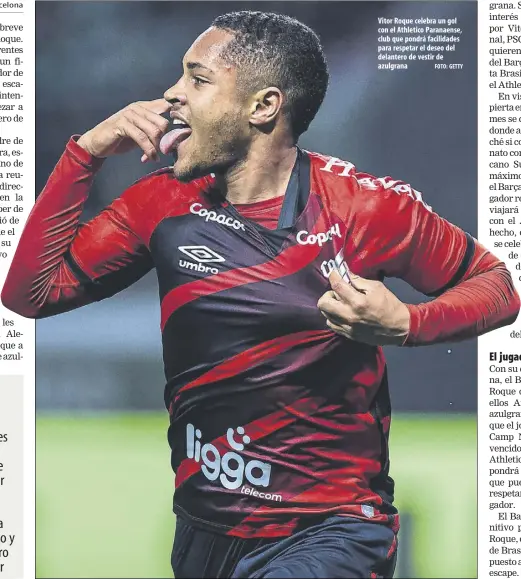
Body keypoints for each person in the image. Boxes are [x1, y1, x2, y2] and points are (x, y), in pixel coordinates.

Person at [2, 10, 519, 579]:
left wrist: (408, 323)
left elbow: (497, 286)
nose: (172, 95)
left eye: (198, 80)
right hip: (205, 532)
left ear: (263, 107)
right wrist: (87, 152)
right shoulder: (160, 204)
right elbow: (31, 293)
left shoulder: (364, 206)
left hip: (332, 531)